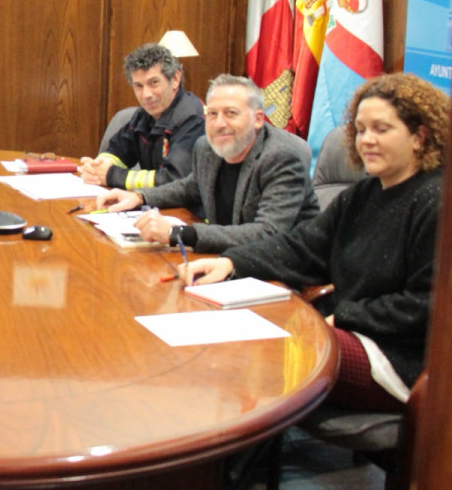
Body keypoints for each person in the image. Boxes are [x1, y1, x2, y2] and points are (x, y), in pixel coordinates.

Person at [183, 73, 448, 412]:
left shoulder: (437, 201)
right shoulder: (363, 194)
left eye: (381, 129)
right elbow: (302, 247)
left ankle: (227, 462)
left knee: (255, 354)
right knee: (235, 335)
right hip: (347, 332)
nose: (366, 140)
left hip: (399, 360)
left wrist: (346, 317)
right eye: (361, 130)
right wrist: (232, 262)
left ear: (419, 137)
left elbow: (429, 304)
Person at [94, 74, 319, 252]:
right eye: (212, 114)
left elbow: (268, 233)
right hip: (227, 257)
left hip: (278, 273)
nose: (219, 123)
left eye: (231, 113)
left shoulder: (281, 157)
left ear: (258, 119)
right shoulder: (206, 147)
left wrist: (179, 233)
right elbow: (189, 188)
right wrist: (139, 197)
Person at [78, 43, 206, 190]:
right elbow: (117, 151)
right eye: (138, 86)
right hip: (153, 205)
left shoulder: (192, 117)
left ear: (175, 79)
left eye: (154, 83)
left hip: (188, 210)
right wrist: (97, 167)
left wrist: (111, 175)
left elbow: (174, 179)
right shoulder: (144, 115)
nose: (146, 95)